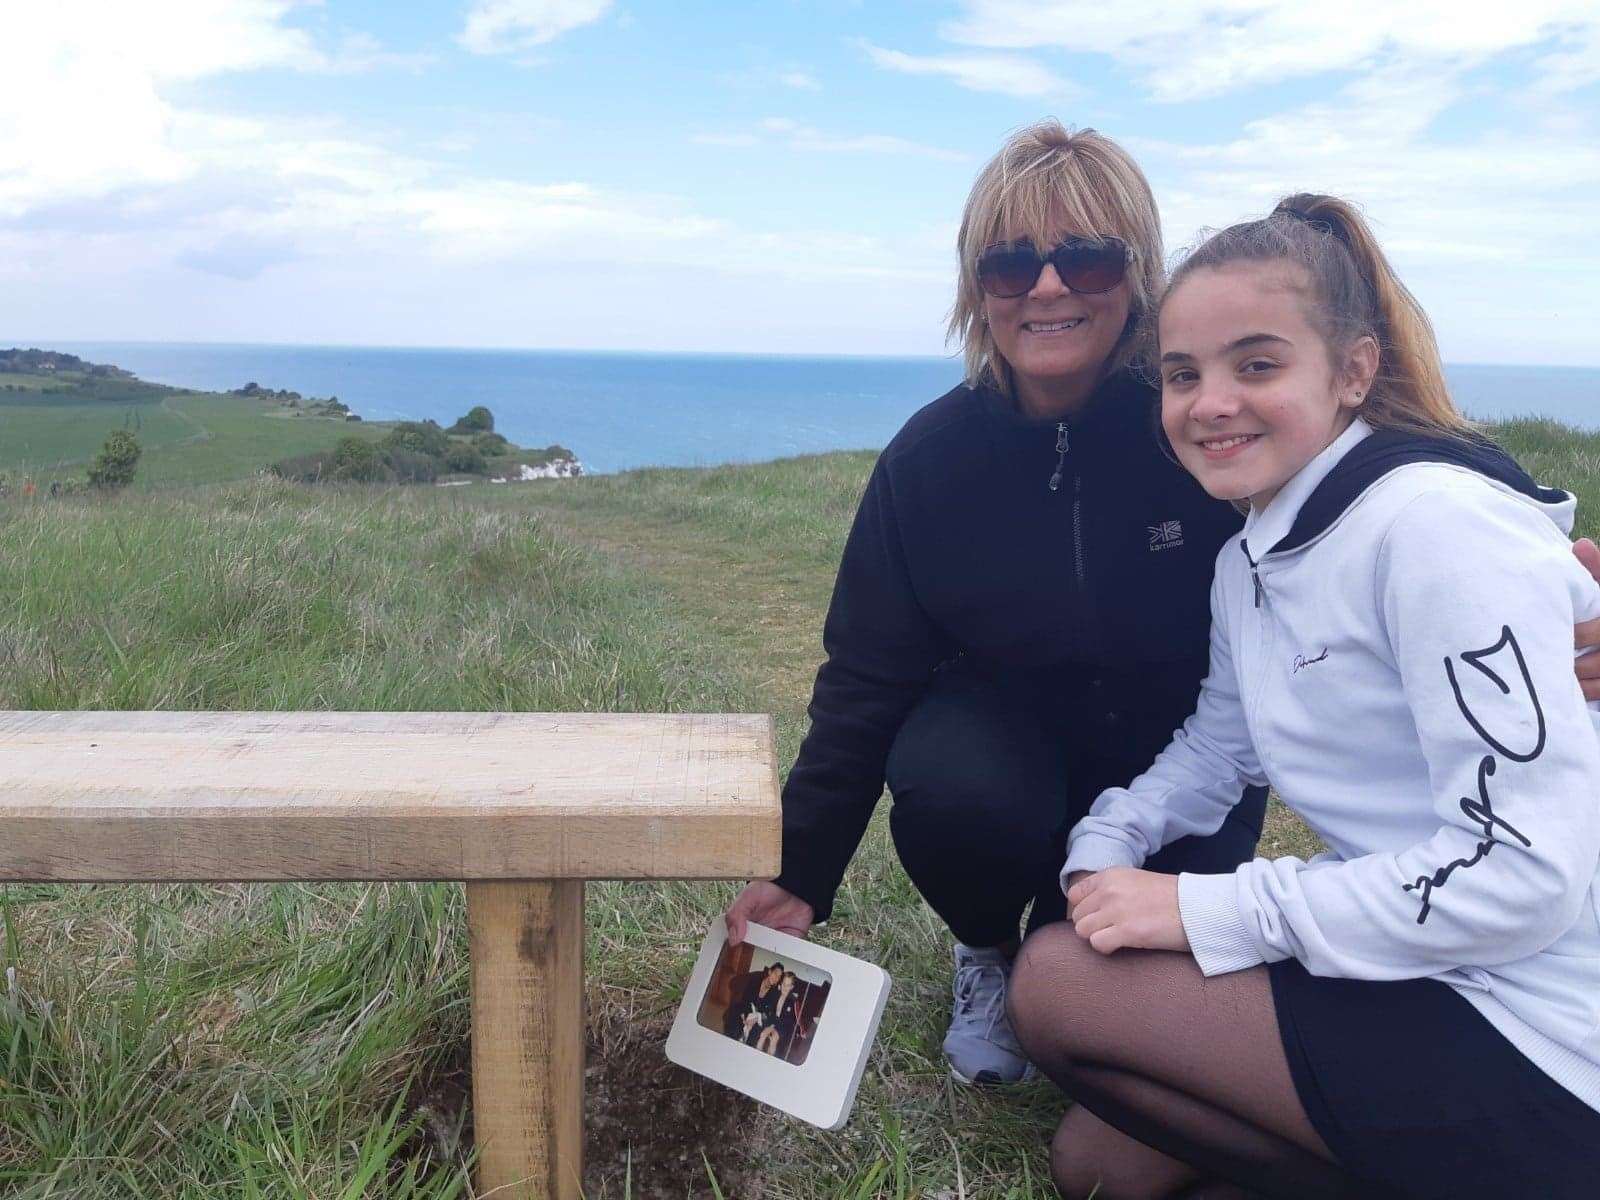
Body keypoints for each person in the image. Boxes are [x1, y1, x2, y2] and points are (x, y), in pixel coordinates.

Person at [723, 119, 1600, 1089]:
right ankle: (985, 951)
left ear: (1137, 277)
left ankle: (1063, 957)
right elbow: (863, 679)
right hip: (1001, 765)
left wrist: (1542, 564)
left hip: (1181, 771)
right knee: (948, 786)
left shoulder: (1202, 426)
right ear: (977, 289)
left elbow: (1411, 459)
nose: (1048, 287)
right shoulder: (927, 465)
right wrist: (800, 872)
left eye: (1087, 259)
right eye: (1011, 263)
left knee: (1089, 1035)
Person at [1007, 194, 1600, 1199]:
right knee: (1098, 1167)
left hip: (1549, 1024)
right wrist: (1108, 841)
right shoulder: (1252, 556)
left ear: (1353, 372)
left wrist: (1207, 910)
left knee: (1057, 987)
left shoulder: (1432, 530)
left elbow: (1521, 878)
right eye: (1183, 375)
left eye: (1257, 365)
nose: (1210, 404)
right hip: (1422, 964)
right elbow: (1217, 747)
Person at [723, 962, 783, 1044]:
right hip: (746, 1008)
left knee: (753, 1030)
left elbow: (769, 1013)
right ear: (769, 972)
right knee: (734, 1013)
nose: (776, 978)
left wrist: (756, 1018)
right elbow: (745, 999)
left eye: (779, 977)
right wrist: (743, 1016)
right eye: (775, 973)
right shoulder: (755, 981)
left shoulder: (775, 993)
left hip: (758, 1016)